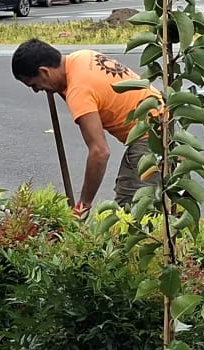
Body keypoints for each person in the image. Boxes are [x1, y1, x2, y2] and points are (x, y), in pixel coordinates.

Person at [11, 38, 160, 216]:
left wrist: (84, 204)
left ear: (44, 71)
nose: (36, 90)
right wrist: (55, 88)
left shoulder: (78, 91)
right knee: (161, 201)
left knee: (128, 215)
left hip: (152, 137)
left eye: (34, 84)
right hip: (167, 119)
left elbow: (100, 152)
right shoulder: (82, 57)